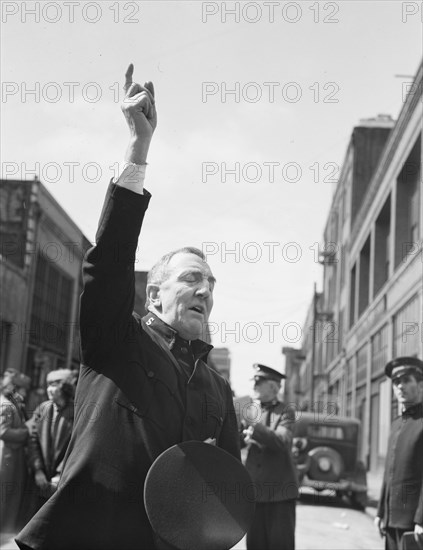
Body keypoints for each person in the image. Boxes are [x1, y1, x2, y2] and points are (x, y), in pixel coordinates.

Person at [16, 65, 240, 550]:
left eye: (212, 283)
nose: (205, 290)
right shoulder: (116, 337)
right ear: (154, 294)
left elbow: (226, 494)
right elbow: (111, 257)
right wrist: (138, 150)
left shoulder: (218, 391)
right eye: (191, 279)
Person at [242, 363, 298, 550]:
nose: (254, 385)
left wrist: (255, 427)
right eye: (254, 380)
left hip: (279, 497)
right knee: (255, 545)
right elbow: (237, 443)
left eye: (259, 381)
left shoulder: (286, 411)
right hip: (255, 495)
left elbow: (282, 441)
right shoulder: (251, 410)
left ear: (273, 387)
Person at [375, 356, 423, 550]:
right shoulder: (396, 424)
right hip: (391, 519)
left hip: (413, 523)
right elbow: (389, 472)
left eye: (406, 381)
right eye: (396, 382)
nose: (400, 387)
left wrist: (422, 519)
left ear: (420, 385)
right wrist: (380, 512)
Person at [27, 369, 75, 511]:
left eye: (55, 386)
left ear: (65, 389)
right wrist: (38, 470)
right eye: (49, 385)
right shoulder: (43, 408)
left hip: (64, 478)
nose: (50, 390)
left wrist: (61, 474)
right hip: (41, 478)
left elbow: (77, 444)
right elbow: (33, 439)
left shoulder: (76, 411)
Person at [0, 369, 31, 534]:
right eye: (23, 390)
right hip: (8, 458)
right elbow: (3, 431)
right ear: (14, 389)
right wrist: (27, 431)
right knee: (5, 499)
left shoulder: (15, 405)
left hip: (13, 457)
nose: (25, 394)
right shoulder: (7, 406)